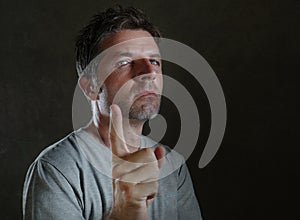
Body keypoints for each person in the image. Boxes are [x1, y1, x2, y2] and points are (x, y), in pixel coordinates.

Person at [22, 6, 202, 220]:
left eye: (154, 61)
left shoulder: (173, 166)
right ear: (90, 87)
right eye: (124, 62)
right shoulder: (56, 169)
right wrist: (123, 214)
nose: (149, 72)